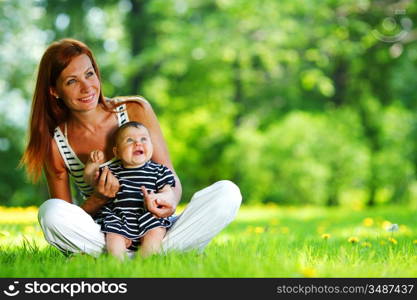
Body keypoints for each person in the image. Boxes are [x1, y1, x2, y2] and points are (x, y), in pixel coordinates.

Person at [21, 38, 242, 258]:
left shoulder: (135, 110)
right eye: (72, 81)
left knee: (227, 192)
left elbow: (168, 174)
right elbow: (68, 215)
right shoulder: (56, 143)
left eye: (89, 74)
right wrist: (98, 199)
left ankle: (138, 255)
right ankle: (163, 255)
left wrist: (169, 201)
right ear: (55, 91)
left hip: (156, 227)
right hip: (108, 233)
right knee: (50, 212)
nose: (87, 87)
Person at [84, 121, 176, 259]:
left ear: (151, 146)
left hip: (149, 216)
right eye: (129, 140)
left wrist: (159, 198)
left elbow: (168, 191)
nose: (138, 143)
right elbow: (90, 180)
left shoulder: (159, 171)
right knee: (113, 237)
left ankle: (146, 261)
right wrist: (92, 165)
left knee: (156, 231)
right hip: (119, 218)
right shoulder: (111, 171)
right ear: (117, 152)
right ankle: (119, 264)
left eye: (144, 139)